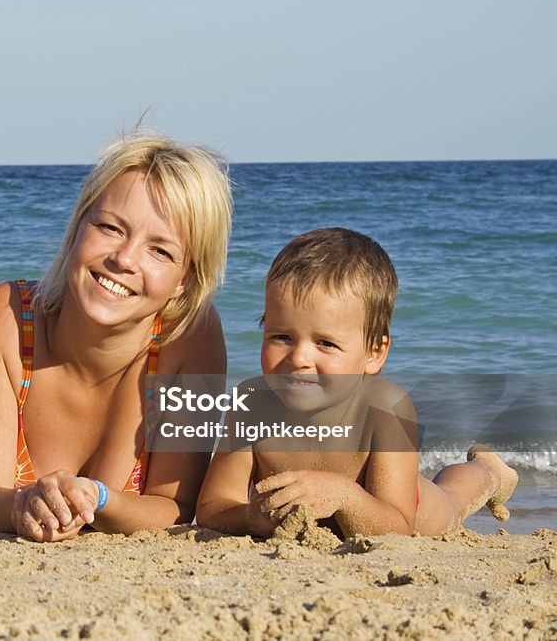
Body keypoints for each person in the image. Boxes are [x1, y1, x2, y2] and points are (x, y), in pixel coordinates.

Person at [0, 131, 234, 542]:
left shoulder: (195, 337)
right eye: (110, 227)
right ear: (77, 227)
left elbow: (175, 505)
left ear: (184, 280)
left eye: (160, 251)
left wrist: (98, 499)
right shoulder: (5, 315)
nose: (124, 259)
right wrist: (22, 503)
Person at [196, 228, 518, 538]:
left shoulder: (385, 408)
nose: (298, 358)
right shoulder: (252, 404)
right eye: (281, 336)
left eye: (326, 343)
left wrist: (344, 495)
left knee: (453, 498)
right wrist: (251, 517)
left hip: (413, 509)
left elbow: (399, 528)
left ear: (374, 354)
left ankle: (490, 472)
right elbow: (213, 507)